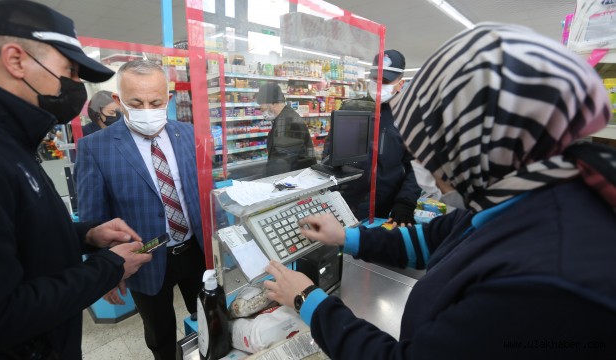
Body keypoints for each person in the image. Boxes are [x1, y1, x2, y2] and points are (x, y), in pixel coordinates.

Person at [263, 23, 616, 359]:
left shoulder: (547, 283)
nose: (421, 163)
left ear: (475, 148)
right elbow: (432, 241)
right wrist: (347, 236)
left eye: (429, 149)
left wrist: (309, 301)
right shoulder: (518, 197)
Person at [0, 1, 152, 359]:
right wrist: (110, 267)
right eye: (69, 69)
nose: (76, 84)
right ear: (16, 59)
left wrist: (85, 235)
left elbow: (16, 237)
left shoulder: (5, 138)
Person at [75, 59, 206, 360]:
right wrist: (103, 268)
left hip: (194, 249)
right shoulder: (96, 147)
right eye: (136, 102)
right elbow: (92, 217)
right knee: (159, 333)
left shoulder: (186, 134)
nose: (147, 109)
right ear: (119, 101)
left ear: (168, 100)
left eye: (156, 102)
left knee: (207, 313)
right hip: (144, 259)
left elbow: (197, 189)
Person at [325, 49, 420, 226]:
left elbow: (417, 166)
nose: (378, 85)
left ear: (400, 83)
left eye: (385, 81)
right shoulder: (351, 109)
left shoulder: (409, 117)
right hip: (347, 204)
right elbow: (330, 154)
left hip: (385, 210)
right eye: (375, 79)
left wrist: (405, 202)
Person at [256, 82, 316, 176]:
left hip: (295, 179)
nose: (261, 111)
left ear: (272, 103)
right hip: (296, 176)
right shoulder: (284, 117)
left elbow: (282, 164)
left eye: (262, 107)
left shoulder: (287, 122)